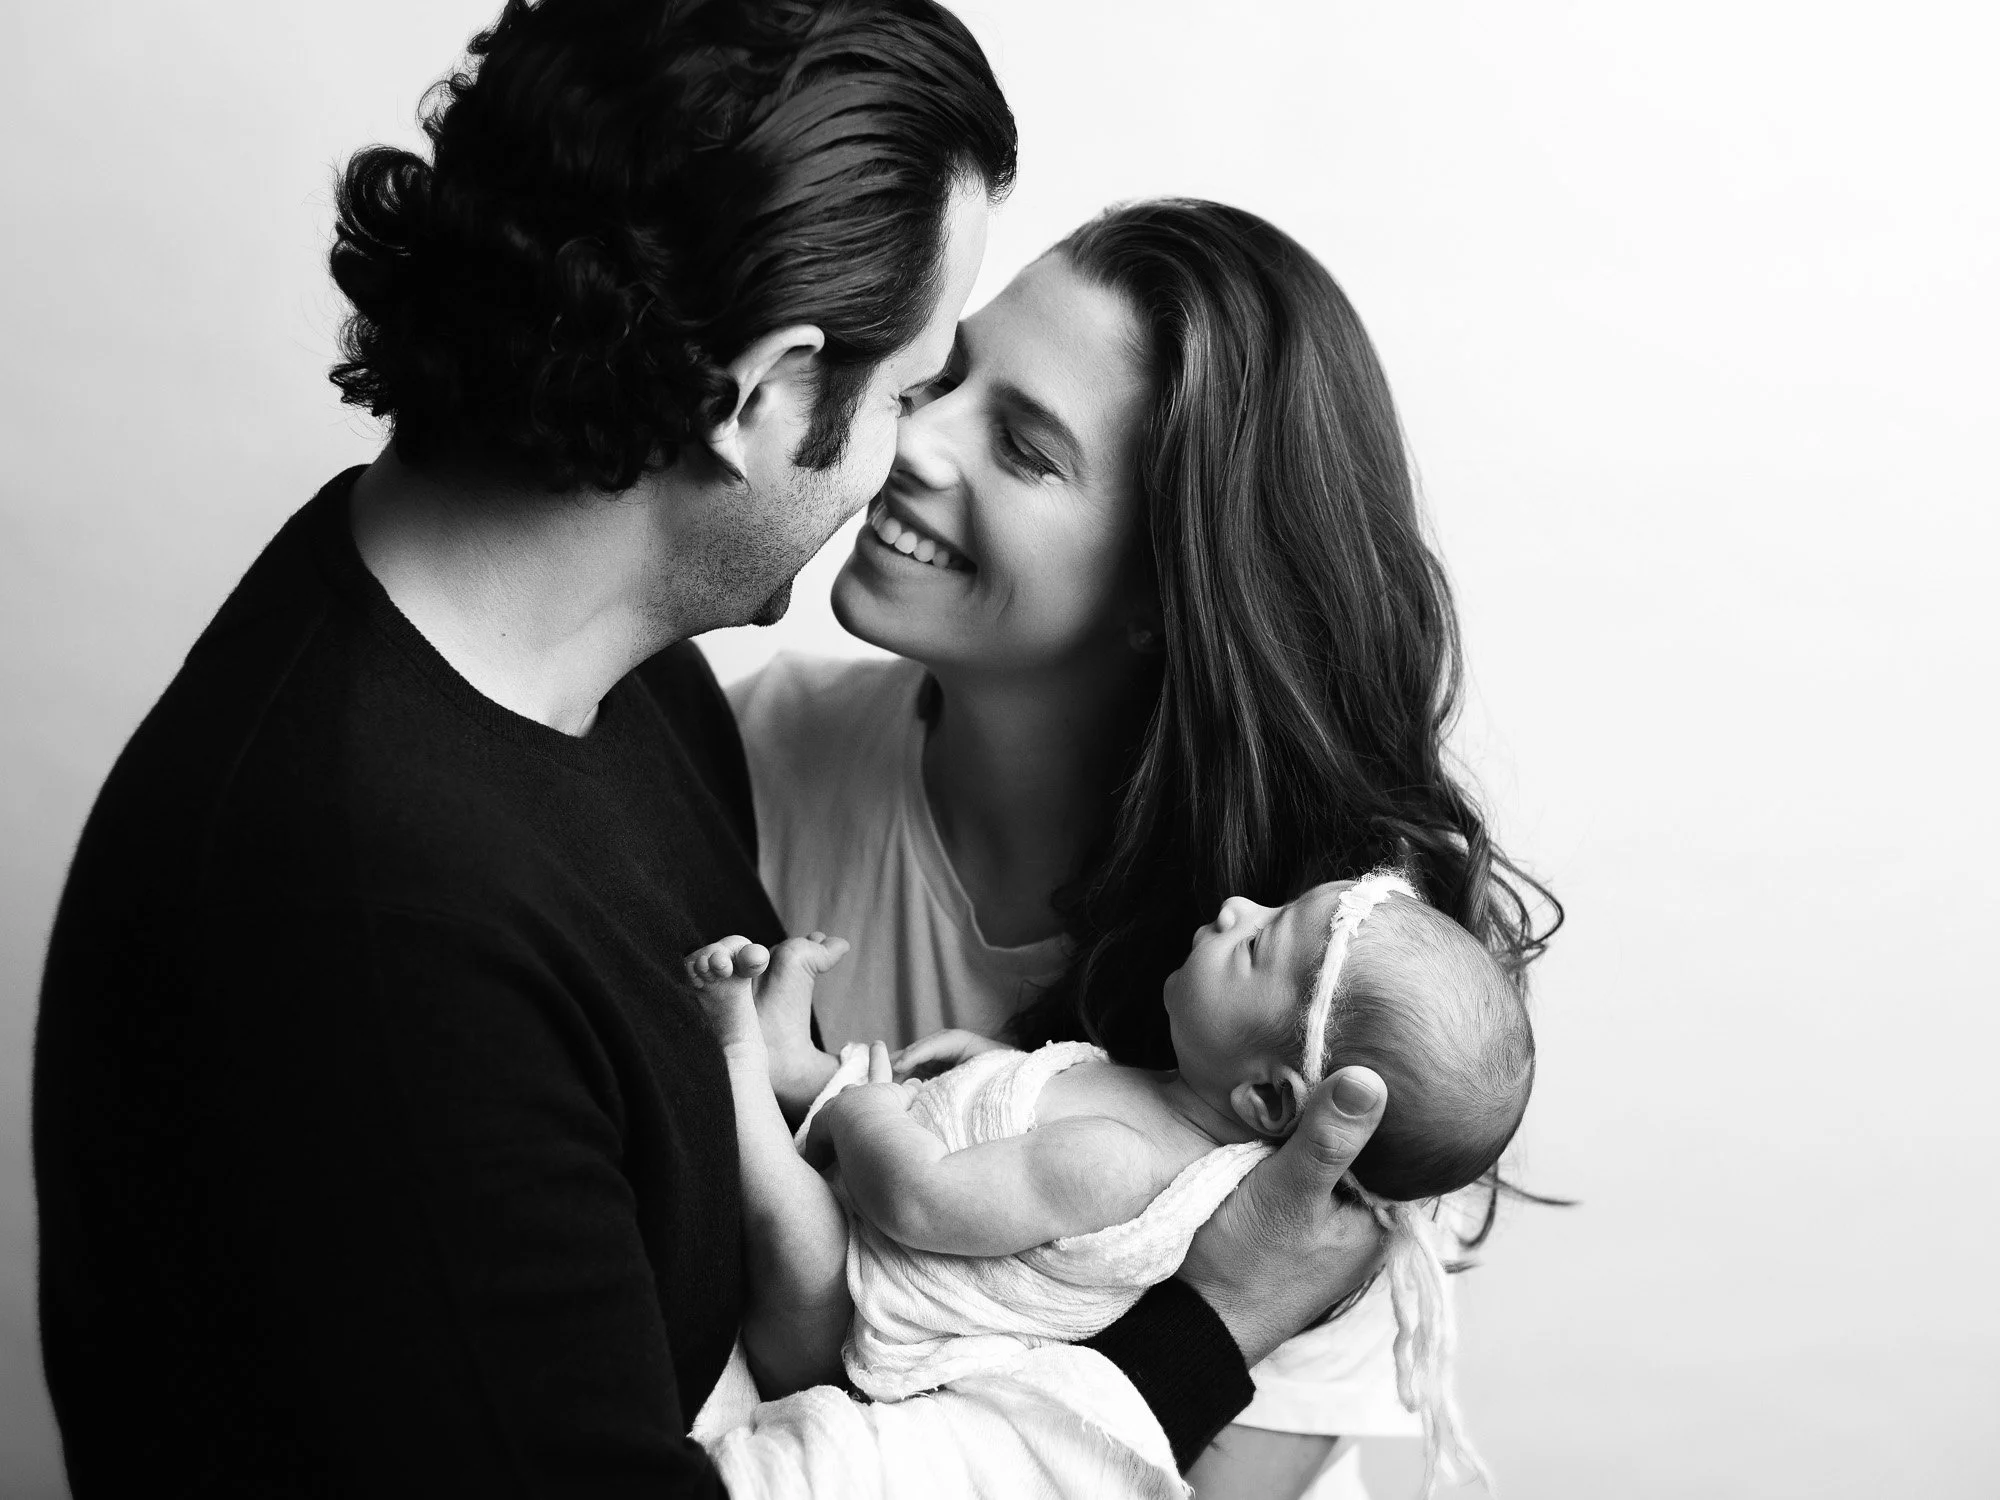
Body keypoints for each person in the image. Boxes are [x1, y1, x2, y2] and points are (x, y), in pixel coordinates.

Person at [32, 6, 1389, 1496]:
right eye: (913, 383)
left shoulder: (627, 692)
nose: (906, 454)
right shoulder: (362, 912)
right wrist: (1216, 1326)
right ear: (765, 392)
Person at [726, 197, 1559, 1498]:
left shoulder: (1357, 1008)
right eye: (945, 375)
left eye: (1026, 448)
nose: (909, 438)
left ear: (1165, 598)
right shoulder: (745, 765)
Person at [686, 870, 1530, 1499]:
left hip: (844, 1320)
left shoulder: (1125, 1164)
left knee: (803, 1239)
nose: (1239, 908)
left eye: (1258, 945)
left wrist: (867, 1111)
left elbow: (920, 1202)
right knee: (875, 1095)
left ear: (1268, 1098)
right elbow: (1035, 1123)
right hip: (887, 1182)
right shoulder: (1158, 1099)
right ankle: (797, 1066)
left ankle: (740, 1065)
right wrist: (992, 1074)